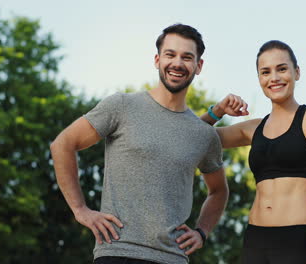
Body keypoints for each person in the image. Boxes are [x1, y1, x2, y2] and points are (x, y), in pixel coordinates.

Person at [50, 24, 242, 264]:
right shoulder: (121, 106)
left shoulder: (204, 134)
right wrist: (81, 210)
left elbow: (219, 191)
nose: (177, 63)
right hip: (117, 253)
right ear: (157, 59)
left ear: (198, 66)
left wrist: (202, 231)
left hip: (172, 258)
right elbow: (63, 144)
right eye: (170, 55)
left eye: (187, 57)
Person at [201, 40, 306, 264]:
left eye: (282, 69)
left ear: (297, 73)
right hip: (255, 240)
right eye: (265, 72)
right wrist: (216, 111)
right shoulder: (253, 129)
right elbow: (193, 137)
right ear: (259, 79)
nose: (274, 78)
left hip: (296, 242)